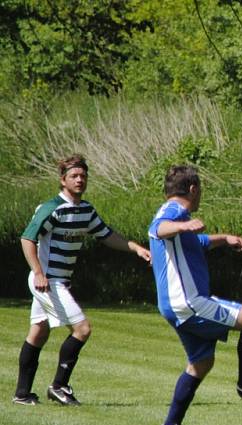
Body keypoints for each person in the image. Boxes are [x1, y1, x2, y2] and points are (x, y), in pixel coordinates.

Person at [149, 165, 242, 425]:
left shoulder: (177, 218)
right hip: (188, 302)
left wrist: (224, 239)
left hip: (175, 305)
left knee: (201, 362)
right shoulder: (172, 213)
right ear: (193, 189)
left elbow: (195, 242)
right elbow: (158, 229)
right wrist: (184, 224)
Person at [12, 154, 151, 406]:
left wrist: (136, 248)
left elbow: (107, 235)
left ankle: (22, 394)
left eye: (83, 176)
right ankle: (59, 386)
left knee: (39, 332)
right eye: (74, 176)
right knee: (82, 329)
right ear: (62, 180)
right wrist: (39, 273)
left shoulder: (85, 210)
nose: (80, 180)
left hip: (58, 281)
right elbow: (26, 239)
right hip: (47, 281)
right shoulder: (52, 208)